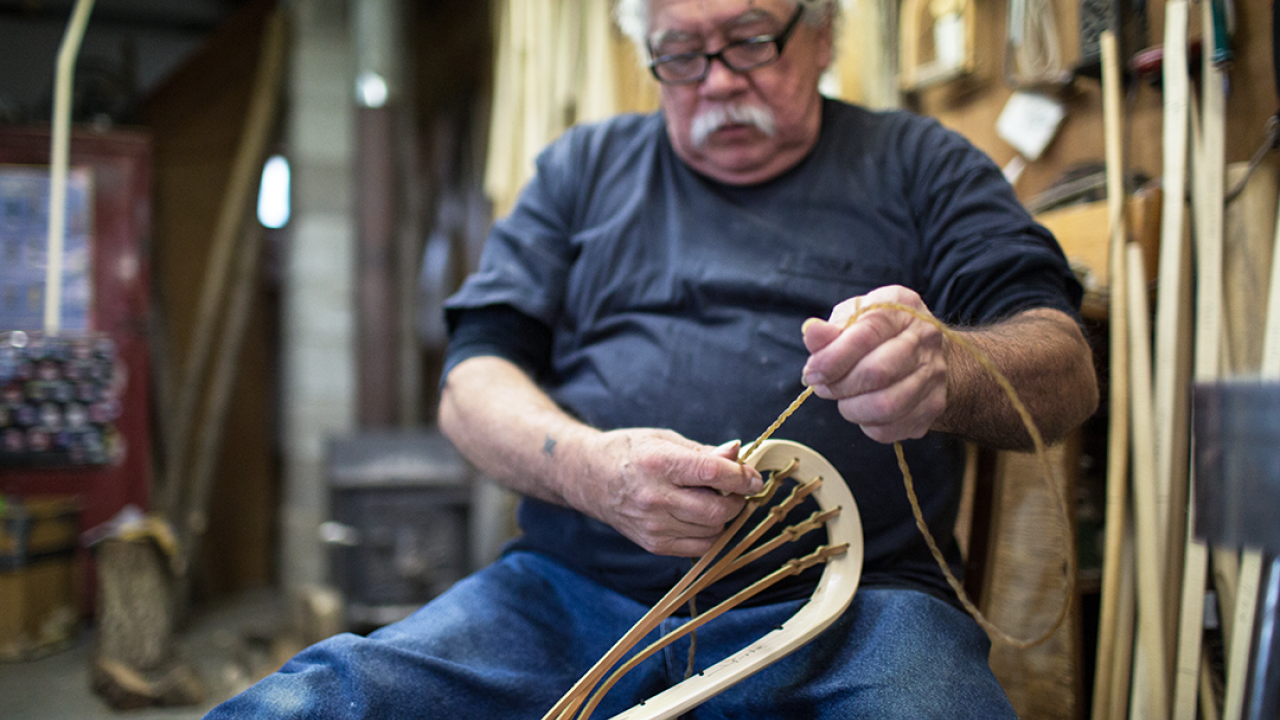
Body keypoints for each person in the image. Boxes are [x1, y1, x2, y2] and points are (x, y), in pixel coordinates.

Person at [205, 0, 1098, 717]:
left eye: (750, 41)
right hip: (567, 595)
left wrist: (948, 367)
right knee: (314, 700)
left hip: (856, 609)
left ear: (822, 34)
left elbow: (1065, 365)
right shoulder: (582, 171)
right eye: (680, 53)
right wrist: (590, 470)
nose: (716, 82)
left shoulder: (922, 165)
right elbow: (472, 380)